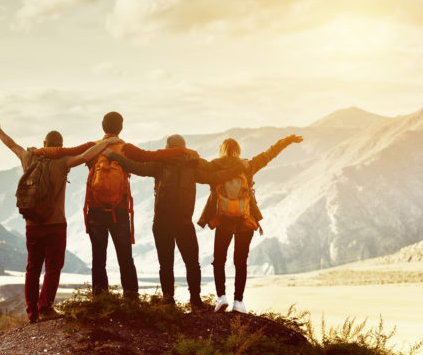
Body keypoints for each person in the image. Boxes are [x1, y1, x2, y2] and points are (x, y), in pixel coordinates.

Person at [34, 112, 189, 297]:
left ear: (102, 126)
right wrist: (184, 151)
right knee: (125, 256)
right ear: (121, 127)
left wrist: (38, 151)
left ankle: (100, 299)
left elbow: (63, 152)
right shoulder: (127, 148)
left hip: (95, 209)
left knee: (98, 258)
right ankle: (131, 298)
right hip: (120, 210)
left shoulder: (93, 147)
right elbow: (153, 155)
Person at [0, 113, 121, 322]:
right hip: (55, 224)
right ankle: (46, 307)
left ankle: (32, 313)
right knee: (53, 267)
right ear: (61, 146)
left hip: (32, 224)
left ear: (44, 143)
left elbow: (11, 144)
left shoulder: (29, 158)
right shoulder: (63, 162)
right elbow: (85, 156)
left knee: (32, 268)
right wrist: (108, 142)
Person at [103, 134, 247, 310]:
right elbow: (216, 177)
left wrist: (114, 155)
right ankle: (195, 301)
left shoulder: (160, 165)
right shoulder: (191, 167)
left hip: (162, 221)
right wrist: (238, 168)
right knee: (192, 263)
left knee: (166, 264)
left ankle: (168, 301)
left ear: (167, 147)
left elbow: (136, 167)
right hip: (184, 222)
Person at [198, 134, 303, 314]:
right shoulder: (247, 166)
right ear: (238, 151)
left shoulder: (214, 166)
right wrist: (286, 140)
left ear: (222, 151)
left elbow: (196, 166)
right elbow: (269, 154)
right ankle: (238, 301)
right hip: (245, 222)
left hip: (223, 221)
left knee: (219, 260)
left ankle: (221, 297)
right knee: (241, 262)